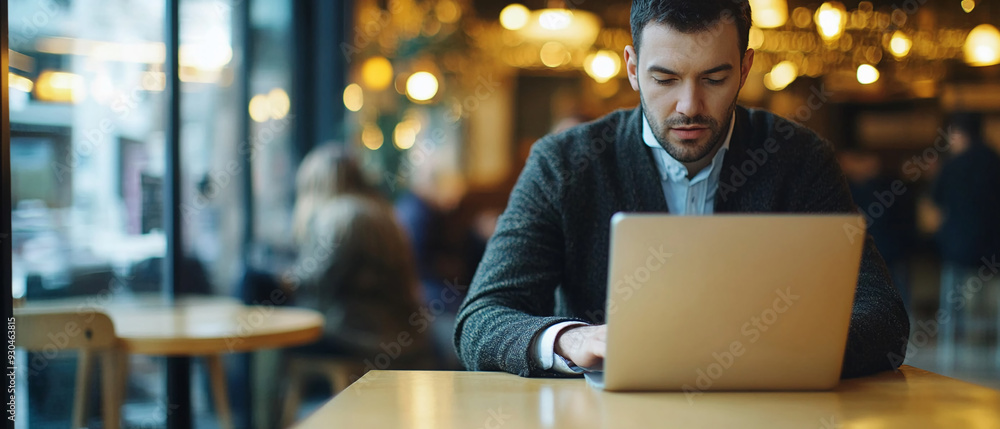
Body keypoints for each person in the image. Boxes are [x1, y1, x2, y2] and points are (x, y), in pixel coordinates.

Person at [454, 0, 910, 379]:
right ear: (632, 69)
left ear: (745, 66)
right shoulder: (563, 164)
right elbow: (480, 319)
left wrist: (768, 350)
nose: (689, 106)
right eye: (665, 79)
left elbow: (885, 319)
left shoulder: (801, 160)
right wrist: (574, 340)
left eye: (714, 79)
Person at [285, 144, 433, 367]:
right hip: (405, 333)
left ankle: (260, 400)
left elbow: (318, 281)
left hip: (362, 335)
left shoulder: (341, 217)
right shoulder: (383, 211)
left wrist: (281, 280)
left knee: (279, 334)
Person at [930, 112, 1000, 369]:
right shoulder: (995, 161)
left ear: (958, 134)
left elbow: (936, 206)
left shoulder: (952, 166)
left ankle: (951, 346)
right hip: (994, 249)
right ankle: (994, 349)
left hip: (958, 248)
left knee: (954, 300)